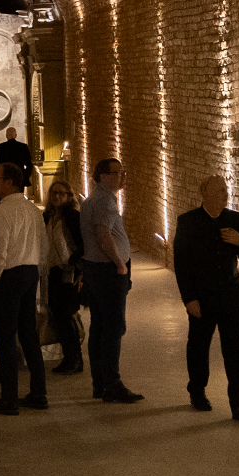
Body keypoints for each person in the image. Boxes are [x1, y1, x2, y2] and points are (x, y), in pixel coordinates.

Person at [174, 175, 239, 421]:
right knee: (199, 346)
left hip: (230, 297)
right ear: (205, 194)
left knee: (234, 351)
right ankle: (197, 391)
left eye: (225, 190)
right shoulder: (188, 222)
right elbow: (181, 264)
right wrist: (189, 298)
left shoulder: (235, 220)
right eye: (219, 191)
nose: (225, 194)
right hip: (202, 298)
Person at [79, 158, 145, 404]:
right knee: (114, 327)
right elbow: (103, 234)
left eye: (122, 172)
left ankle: (100, 383)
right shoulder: (105, 201)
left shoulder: (94, 199)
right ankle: (112, 384)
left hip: (95, 269)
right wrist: (120, 263)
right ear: (103, 176)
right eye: (117, 172)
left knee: (100, 325)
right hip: (107, 271)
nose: (122, 176)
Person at [0, 164, 47, 414]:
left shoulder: (2, 210)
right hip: (30, 272)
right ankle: (39, 393)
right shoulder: (32, 209)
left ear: (9, 182)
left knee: (6, 337)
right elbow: (43, 245)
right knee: (29, 334)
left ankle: (9, 399)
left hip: (9, 275)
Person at [42, 180, 86, 376]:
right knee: (57, 315)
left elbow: (84, 244)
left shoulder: (73, 217)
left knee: (67, 314)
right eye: (53, 193)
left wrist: (81, 271)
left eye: (61, 193)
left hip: (70, 271)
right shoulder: (48, 217)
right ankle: (67, 357)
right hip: (54, 271)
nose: (56, 196)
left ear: (69, 196)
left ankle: (76, 359)